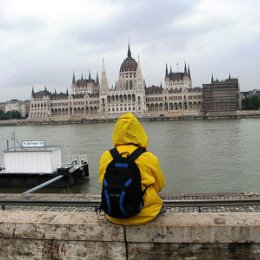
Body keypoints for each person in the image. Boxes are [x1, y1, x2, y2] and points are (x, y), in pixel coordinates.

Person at [99, 112, 165, 225]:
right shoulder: (148, 157)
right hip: (145, 213)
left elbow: (102, 182)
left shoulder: (106, 156)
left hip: (114, 214)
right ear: (139, 132)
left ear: (116, 133)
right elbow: (159, 186)